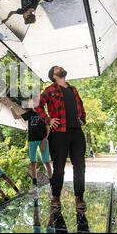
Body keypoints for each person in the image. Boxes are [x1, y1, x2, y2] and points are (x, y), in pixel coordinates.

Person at [35, 65, 87, 211]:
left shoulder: (73, 89)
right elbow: (37, 106)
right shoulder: (50, 90)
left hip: (77, 132)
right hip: (59, 133)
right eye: (58, 68)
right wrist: (48, 120)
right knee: (59, 167)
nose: (61, 68)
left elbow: (81, 107)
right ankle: (56, 196)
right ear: (53, 75)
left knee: (80, 166)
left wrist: (82, 118)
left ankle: (79, 197)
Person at [10, 97, 52, 189]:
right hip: (32, 140)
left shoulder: (43, 114)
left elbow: (48, 128)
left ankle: (52, 181)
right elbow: (16, 117)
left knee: (47, 162)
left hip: (42, 140)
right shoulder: (29, 113)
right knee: (33, 163)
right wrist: (11, 107)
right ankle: (34, 183)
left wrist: (45, 140)